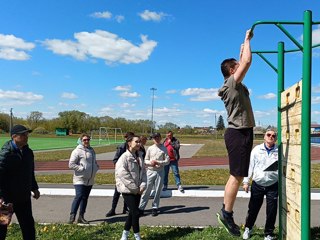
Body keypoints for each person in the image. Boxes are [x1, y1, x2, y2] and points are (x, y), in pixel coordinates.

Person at [216, 29, 255, 237]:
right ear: (232, 71)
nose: (241, 67)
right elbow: (247, 62)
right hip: (238, 133)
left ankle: (226, 211)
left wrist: (242, 46)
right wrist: (247, 40)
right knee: (236, 176)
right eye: (236, 66)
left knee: (238, 176)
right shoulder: (232, 84)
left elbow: (243, 60)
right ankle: (226, 213)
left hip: (242, 132)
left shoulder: (233, 84)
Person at [0, 124, 40, 240]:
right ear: (14, 136)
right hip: (7, 200)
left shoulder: (28, 152)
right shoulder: (5, 154)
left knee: (28, 227)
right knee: (2, 227)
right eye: (23, 134)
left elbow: (30, 172)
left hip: (23, 198)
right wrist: (1, 195)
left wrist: (34, 188)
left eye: (27, 134)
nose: (26, 136)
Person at [242, 129, 278, 240]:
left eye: (273, 135)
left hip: (273, 185)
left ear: (275, 138)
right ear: (264, 136)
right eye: (268, 134)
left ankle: (268, 234)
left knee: (271, 211)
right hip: (257, 184)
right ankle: (248, 228)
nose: (271, 137)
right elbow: (250, 166)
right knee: (253, 208)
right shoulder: (256, 150)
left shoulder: (279, 150)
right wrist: (246, 181)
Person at [115, 135, 147, 240]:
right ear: (129, 143)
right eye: (136, 142)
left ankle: (124, 235)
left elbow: (143, 173)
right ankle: (137, 236)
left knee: (132, 213)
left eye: (139, 142)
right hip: (128, 190)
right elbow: (123, 175)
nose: (139, 144)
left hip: (138, 189)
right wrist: (135, 188)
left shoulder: (140, 156)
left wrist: (142, 185)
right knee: (135, 213)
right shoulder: (124, 157)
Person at [68, 133, 99, 224]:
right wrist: (81, 168)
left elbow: (94, 161)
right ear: (81, 141)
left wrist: (96, 167)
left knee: (85, 198)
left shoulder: (92, 150)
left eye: (88, 139)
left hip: (90, 179)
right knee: (79, 196)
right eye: (84, 140)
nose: (86, 141)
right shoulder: (77, 151)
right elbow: (71, 164)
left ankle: (81, 217)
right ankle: (72, 216)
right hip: (79, 178)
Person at [139, 133, 170, 217]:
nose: (156, 139)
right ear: (152, 139)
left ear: (160, 138)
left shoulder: (164, 148)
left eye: (157, 137)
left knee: (157, 190)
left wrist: (159, 162)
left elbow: (167, 161)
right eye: (154, 138)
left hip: (160, 171)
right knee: (146, 190)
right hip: (150, 171)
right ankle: (141, 208)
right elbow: (145, 159)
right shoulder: (150, 148)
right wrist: (151, 163)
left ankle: (155, 207)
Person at [106, 132, 134, 217]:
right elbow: (115, 160)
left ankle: (125, 208)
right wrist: (121, 169)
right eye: (128, 138)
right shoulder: (121, 147)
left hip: (130, 174)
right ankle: (113, 209)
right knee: (117, 192)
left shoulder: (135, 148)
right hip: (121, 174)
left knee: (127, 192)